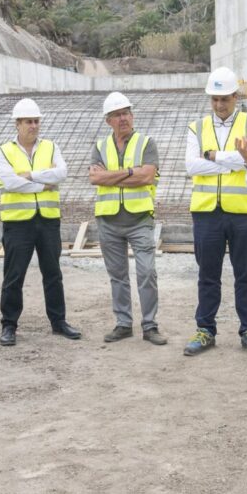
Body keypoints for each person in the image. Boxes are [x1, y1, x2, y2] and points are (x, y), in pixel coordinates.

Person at [183, 67, 247, 357]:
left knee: (246, 274)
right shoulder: (197, 127)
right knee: (207, 275)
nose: (219, 104)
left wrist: (212, 156)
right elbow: (191, 166)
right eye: (215, 99)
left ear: (236, 97)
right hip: (207, 213)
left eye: (224, 98)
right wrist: (231, 163)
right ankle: (205, 330)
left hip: (244, 212)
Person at [0, 98, 81, 346]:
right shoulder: (4, 151)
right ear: (17, 123)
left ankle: (58, 321)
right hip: (17, 223)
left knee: (53, 273)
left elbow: (61, 173)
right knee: (14, 275)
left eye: (36, 121)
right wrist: (44, 183)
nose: (33, 125)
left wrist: (30, 175)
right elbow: (10, 182)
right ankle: (9, 325)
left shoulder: (51, 147)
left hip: (48, 220)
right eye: (28, 122)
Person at [89, 92, 167, 346]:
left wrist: (112, 176)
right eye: (117, 115)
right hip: (108, 221)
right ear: (108, 120)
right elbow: (95, 178)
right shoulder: (100, 146)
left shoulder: (146, 143)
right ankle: (123, 324)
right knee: (117, 275)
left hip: (140, 218)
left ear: (132, 116)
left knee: (147, 272)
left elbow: (147, 176)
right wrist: (131, 172)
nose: (123, 118)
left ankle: (150, 325)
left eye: (126, 113)